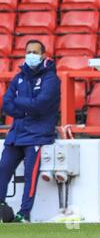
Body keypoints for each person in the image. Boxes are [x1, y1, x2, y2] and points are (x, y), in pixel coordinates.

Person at [0, 40, 60, 223]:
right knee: (3, 169)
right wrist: (27, 106)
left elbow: (41, 105)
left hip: (37, 135)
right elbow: (6, 103)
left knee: (30, 175)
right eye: (28, 51)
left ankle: (24, 214)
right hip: (16, 133)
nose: (31, 55)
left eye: (34, 52)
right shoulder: (19, 77)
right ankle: (1, 206)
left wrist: (21, 104)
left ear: (43, 55)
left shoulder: (51, 79)